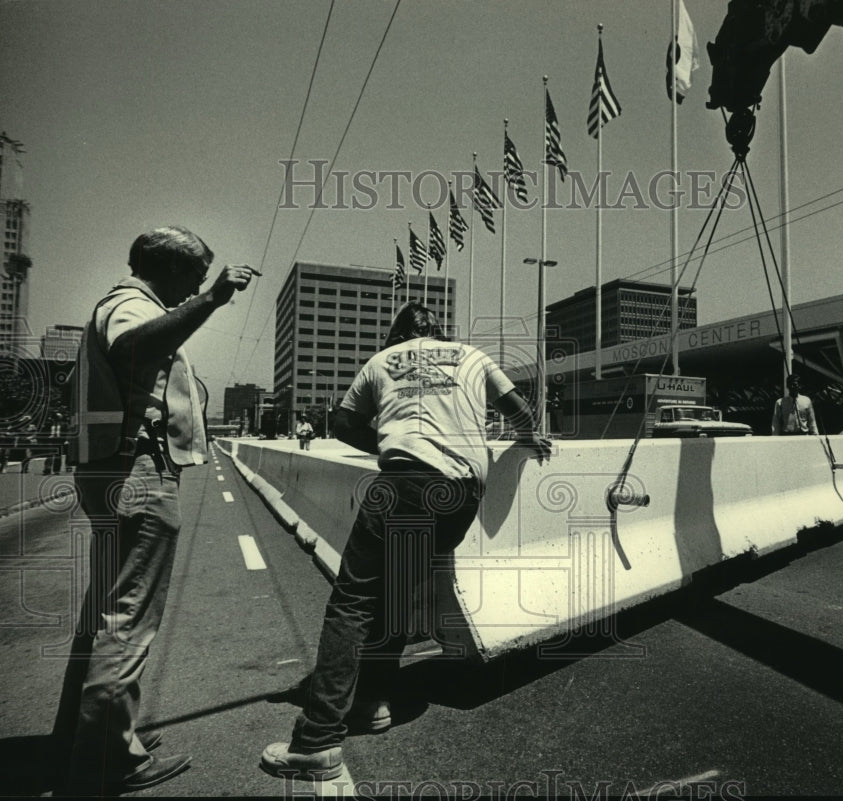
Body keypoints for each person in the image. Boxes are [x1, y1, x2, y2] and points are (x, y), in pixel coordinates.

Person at [261, 301, 551, 781]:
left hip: (406, 483)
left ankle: (316, 740)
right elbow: (517, 407)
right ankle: (373, 700)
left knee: (352, 603)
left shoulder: (382, 361)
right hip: (461, 493)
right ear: (439, 333)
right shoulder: (471, 356)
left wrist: (394, 443)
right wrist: (529, 436)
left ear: (398, 336)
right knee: (398, 594)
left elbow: (343, 424)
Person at [51, 226, 254, 794]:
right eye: (192, 275)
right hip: (136, 470)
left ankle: (81, 738)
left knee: (105, 614)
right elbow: (131, 348)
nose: (195, 287)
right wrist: (211, 300)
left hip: (114, 468)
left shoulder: (128, 303)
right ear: (164, 266)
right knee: (128, 619)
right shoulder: (129, 303)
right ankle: (106, 760)